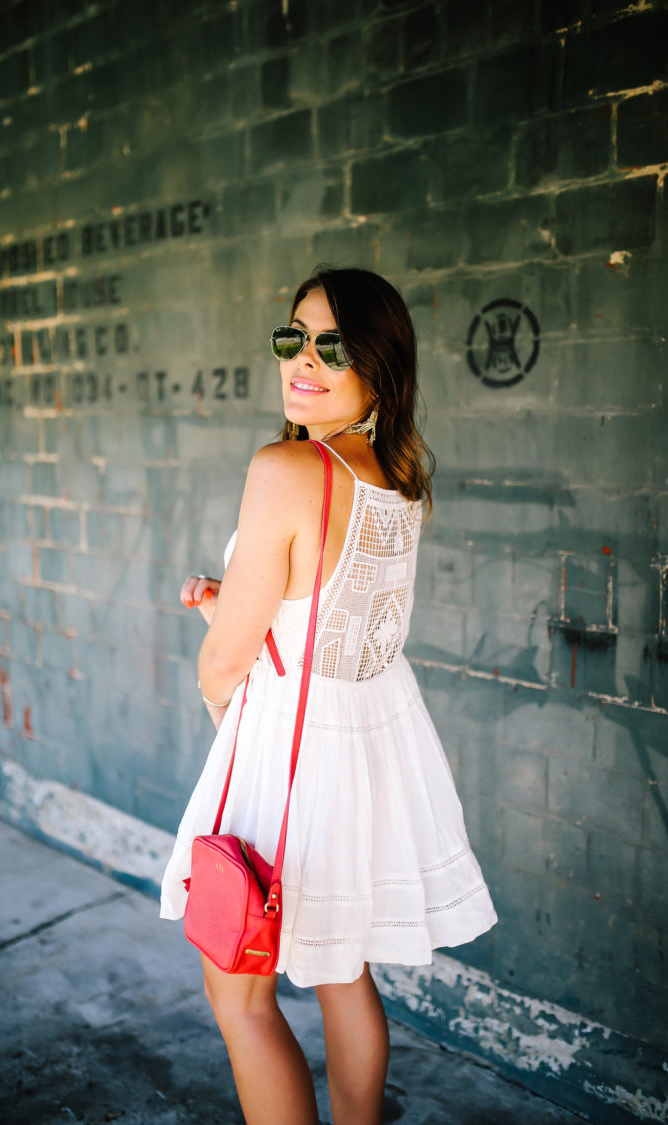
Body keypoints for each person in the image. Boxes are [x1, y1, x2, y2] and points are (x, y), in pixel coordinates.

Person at [160, 267, 497, 1125]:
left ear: (377, 368)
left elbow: (222, 665)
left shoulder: (285, 467)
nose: (303, 360)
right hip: (367, 748)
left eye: (332, 346)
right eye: (293, 337)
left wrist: (220, 672)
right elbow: (333, 617)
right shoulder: (398, 473)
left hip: (287, 752)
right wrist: (233, 600)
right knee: (345, 971)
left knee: (238, 993)